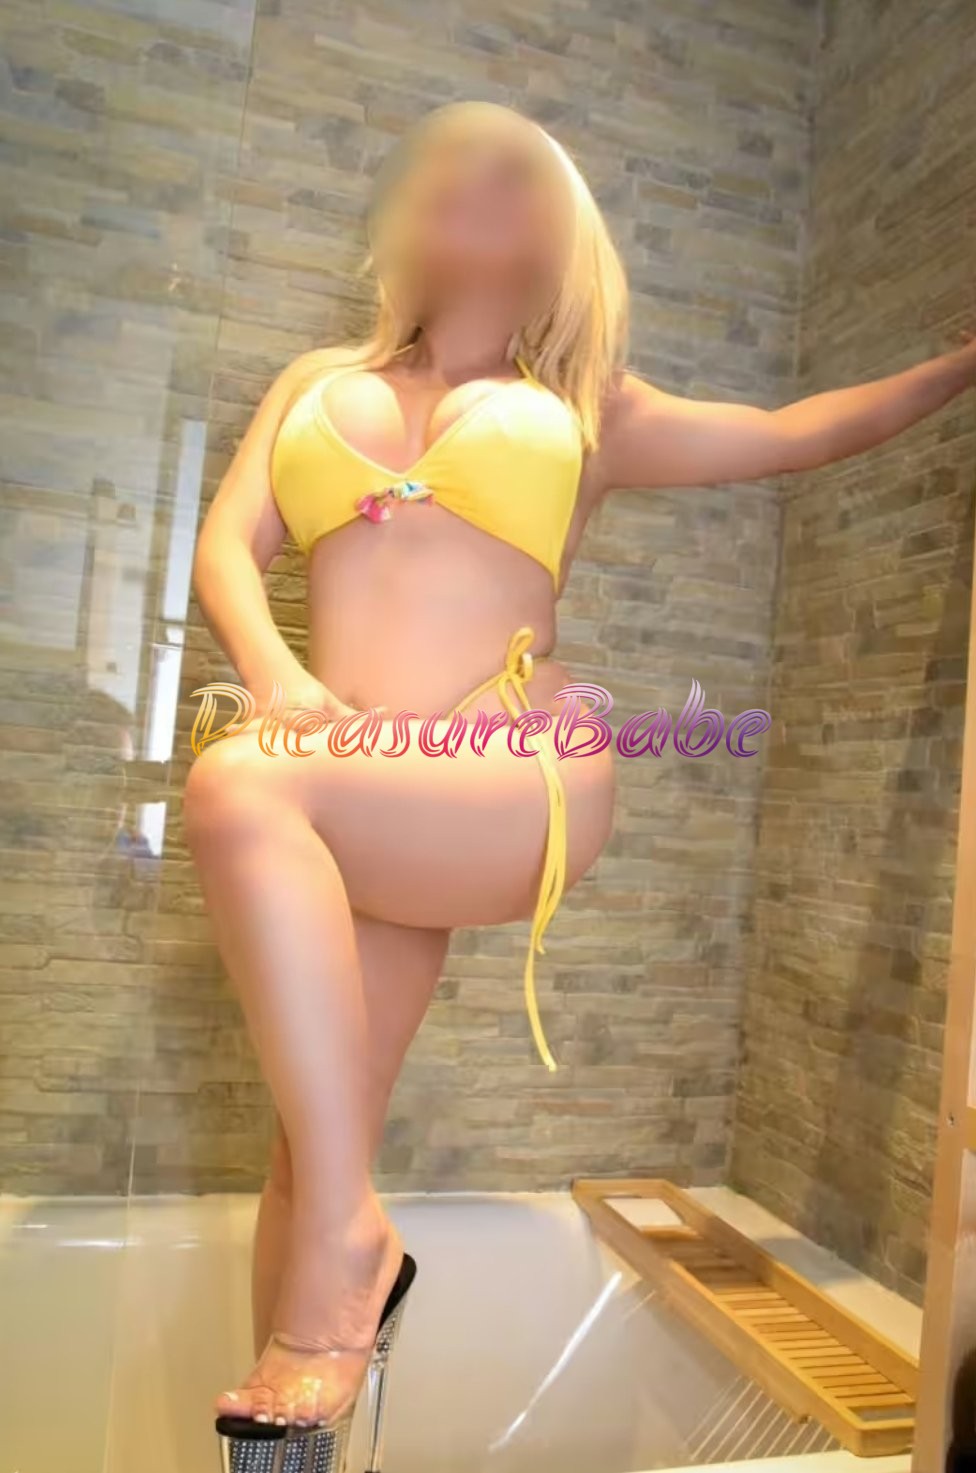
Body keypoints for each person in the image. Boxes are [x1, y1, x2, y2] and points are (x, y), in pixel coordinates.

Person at [185, 100, 976, 1465]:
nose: (472, 181)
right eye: (450, 162)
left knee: (238, 789)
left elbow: (797, 429)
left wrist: (965, 363)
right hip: (352, 779)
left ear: (563, 231)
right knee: (310, 1151)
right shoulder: (314, 379)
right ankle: (300, 1416)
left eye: (513, 171)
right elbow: (225, 548)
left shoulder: (593, 408)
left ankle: (350, 1252)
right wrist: (279, 676)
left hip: (506, 769)